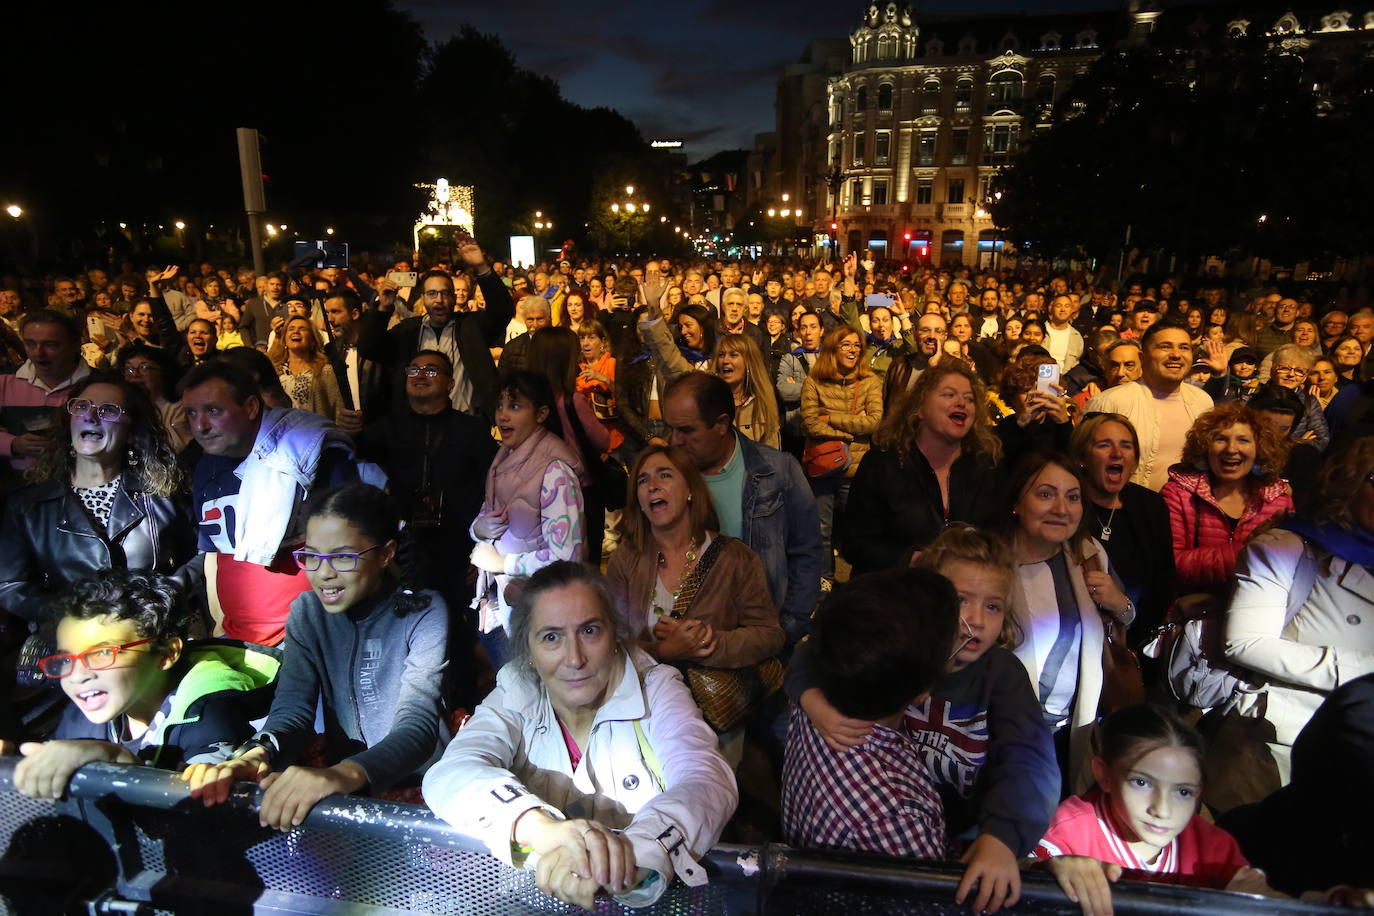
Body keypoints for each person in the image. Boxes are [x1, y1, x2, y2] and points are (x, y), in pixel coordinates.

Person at [423, 561, 737, 909]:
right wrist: (542, 831)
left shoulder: (656, 686)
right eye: (552, 637)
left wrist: (628, 855)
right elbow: (452, 772)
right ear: (529, 650)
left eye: (589, 631)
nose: (574, 659)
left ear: (615, 635)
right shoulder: (517, 689)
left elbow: (706, 779)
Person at [786, 527, 1059, 914]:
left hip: (969, 842)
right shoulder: (892, 644)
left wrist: (1001, 837)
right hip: (893, 827)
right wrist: (810, 697)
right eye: (961, 600)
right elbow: (821, 649)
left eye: (993, 606)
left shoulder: (1002, 674)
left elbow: (1031, 761)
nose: (976, 620)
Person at [183, 484, 450, 825]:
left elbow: (418, 724)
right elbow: (293, 710)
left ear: (386, 554)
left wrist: (344, 774)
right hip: (345, 782)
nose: (323, 573)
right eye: (311, 555)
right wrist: (258, 753)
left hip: (422, 787)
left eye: (342, 556)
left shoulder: (424, 611)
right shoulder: (307, 612)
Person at [8, 572, 280, 799]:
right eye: (66, 658)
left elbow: (198, 820)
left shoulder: (210, 715)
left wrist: (114, 758)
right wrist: (14, 767)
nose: (77, 675)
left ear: (166, 653)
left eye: (103, 654)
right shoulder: (87, 707)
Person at [606, 445, 783, 758]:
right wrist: (662, 652)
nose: (653, 485)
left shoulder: (735, 559)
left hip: (714, 716)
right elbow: (611, 642)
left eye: (665, 475)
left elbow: (769, 635)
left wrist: (709, 642)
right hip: (645, 714)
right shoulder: (625, 561)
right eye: (643, 480)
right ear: (640, 502)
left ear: (690, 490)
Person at [1218, 437, 1374, 786]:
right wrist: (1360, 671)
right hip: (1283, 746)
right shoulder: (1285, 547)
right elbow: (1245, 642)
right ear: (1347, 483)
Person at [782, 569, 958, 860]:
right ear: (921, 692)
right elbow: (930, 903)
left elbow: (807, 654)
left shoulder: (813, 703)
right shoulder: (896, 820)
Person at [181, 360, 359, 646]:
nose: (200, 425)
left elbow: (353, 548)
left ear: (251, 407)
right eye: (191, 412)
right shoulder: (205, 467)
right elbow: (215, 556)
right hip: (240, 638)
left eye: (213, 410)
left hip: (316, 636)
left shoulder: (314, 454)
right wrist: (219, 625)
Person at [1033, 704, 1273, 916]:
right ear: (1104, 774)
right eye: (1141, 783)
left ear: (1199, 791)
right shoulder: (1070, 832)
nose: (1162, 810)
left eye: (1183, 791)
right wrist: (1048, 870)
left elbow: (1254, 892)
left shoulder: (1211, 846)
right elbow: (1022, 881)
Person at [0, 374, 197, 623]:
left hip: (153, 640)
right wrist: (79, 617)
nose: (90, 416)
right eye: (81, 406)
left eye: (108, 411)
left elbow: (202, 556)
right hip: (70, 647)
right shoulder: (27, 506)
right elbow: (10, 585)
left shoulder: (166, 494)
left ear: (131, 433)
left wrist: (162, 599)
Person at [659, 372, 821, 650]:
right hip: (683, 652)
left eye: (686, 430)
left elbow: (807, 552)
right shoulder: (661, 479)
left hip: (764, 646)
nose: (674, 441)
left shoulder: (777, 471)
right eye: (670, 429)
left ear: (721, 424)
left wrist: (788, 628)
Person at [1003, 452, 1132, 787]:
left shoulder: (1087, 554)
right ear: (1017, 502)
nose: (1061, 508)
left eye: (1072, 497)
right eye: (1046, 494)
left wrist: (1121, 604)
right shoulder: (986, 563)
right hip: (1001, 736)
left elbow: (1125, 622)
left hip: (1071, 732)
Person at [355, 350, 496, 655]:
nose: (420, 375)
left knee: (460, 631)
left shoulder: (472, 430)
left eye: (432, 371)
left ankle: (462, 697)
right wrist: (349, 431)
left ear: (451, 382)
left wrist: (483, 548)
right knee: (406, 629)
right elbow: (355, 460)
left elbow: (493, 491)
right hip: (404, 550)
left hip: (460, 546)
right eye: (413, 369)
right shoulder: (385, 429)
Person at [843, 358, 1003, 577]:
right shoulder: (882, 464)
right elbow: (854, 544)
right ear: (919, 408)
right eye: (949, 394)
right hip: (893, 596)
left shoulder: (984, 466)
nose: (962, 403)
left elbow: (996, 536)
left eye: (969, 398)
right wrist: (913, 559)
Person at [470, 371, 585, 669]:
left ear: (542, 413)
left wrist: (502, 563)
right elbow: (485, 514)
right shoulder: (504, 458)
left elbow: (567, 555)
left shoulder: (556, 471)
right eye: (500, 406)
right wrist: (477, 530)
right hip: (503, 599)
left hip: (543, 610)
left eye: (516, 406)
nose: (503, 416)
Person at [358, 236, 513, 421]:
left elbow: (502, 310)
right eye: (432, 294)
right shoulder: (408, 331)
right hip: (417, 425)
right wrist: (383, 308)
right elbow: (369, 348)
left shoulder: (471, 326)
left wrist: (481, 267)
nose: (439, 300)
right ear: (423, 298)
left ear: (454, 298)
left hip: (468, 423)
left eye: (445, 293)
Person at [1161, 402, 1293, 599]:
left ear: (1260, 449)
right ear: (1205, 447)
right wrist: (1247, 550)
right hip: (1187, 614)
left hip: (1253, 611)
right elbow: (1169, 564)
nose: (1231, 449)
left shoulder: (1278, 500)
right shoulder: (1177, 494)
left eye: (1243, 440)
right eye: (1221, 439)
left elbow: (1288, 567)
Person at [1067, 414, 1174, 648]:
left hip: (1134, 647)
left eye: (1126, 445)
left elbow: (1163, 583)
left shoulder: (1151, 506)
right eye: (1104, 445)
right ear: (1082, 457)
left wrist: (1124, 610)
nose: (1117, 453)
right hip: (1078, 643)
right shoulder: (1066, 506)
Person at [1083, 323, 1215, 491]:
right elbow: (1086, 465)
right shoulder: (1110, 402)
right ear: (1142, 357)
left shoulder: (1203, 402)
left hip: (1188, 512)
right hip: (1128, 510)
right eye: (1165, 347)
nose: (1176, 355)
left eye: (1184, 347)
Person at [802, 326, 883, 582]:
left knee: (858, 530)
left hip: (856, 469)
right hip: (823, 466)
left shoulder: (870, 381)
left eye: (856, 345)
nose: (852, 350)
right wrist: (850, 431)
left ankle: (859, 581)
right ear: (833, 348)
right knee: (821, 529)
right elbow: (810, 423)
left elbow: (873, 422)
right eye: (845, 345)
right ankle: (824, 579)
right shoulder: (814, 379)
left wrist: (832, 418)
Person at [0, 310, 91, 484]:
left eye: (50, 345)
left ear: (75, 344)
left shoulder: (96, 385)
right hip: (19, 491)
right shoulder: (5, 381)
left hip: (80, 487)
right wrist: (12, 444)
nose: (38, 353)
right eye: (30, 344)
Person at [267, 315, 345, 424]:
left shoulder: (325, 371)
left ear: (313, 340)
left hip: (315, 434)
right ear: (284, 339)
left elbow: (338, 409)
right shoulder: (275, 371)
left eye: (302, 329)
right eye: (291, 329)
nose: (296, 332)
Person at [715, 332, 781, 449]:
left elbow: (772, 455)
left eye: (733, 355)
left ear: (748, 362)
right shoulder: (708, 402)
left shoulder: (763, 404)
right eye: (721, 355)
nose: (725, 360)